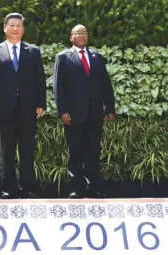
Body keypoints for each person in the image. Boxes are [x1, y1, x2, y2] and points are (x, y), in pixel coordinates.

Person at [0, 13, 46, 199]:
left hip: (28, 108)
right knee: (7, 150)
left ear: (23, 29)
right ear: (4, 28)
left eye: (18, 25)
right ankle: (8, 188)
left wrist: (41, 103)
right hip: (5, 108)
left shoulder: (33, 51)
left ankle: (28, 187)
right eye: (11, 25)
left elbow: (40, 80)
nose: (15, 28)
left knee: (27, 150)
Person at [53, 24, 115, 198]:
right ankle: (76, 189)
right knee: (75, 151)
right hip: (73, 114)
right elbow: (59, 87)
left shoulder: (97, 57)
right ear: (71, 37)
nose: (81, 35)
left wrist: (109, 107)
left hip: (95, 113)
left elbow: (105, 85)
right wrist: (63, 111)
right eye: (77, 33)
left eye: (84, 33)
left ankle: (94, 187)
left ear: (87, 37)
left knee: (93, 151)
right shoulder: (63, 57)